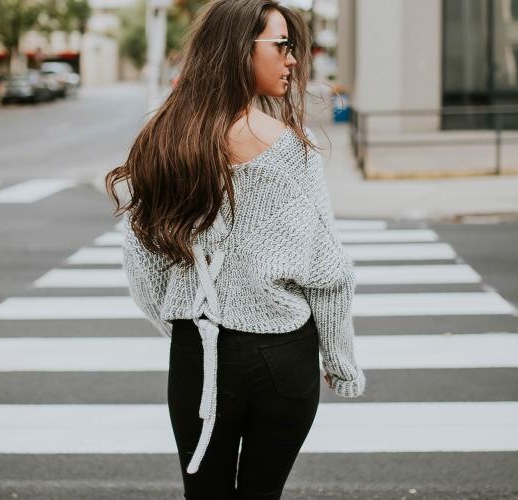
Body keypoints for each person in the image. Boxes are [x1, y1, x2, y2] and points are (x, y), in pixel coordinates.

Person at [104, 1, 365, 498]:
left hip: (197, 353)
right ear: (241, 50)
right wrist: (339, 360)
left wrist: (185, 325)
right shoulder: (292, 148)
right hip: (281, 353)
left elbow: (142, 267)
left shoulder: (164, 141)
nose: (292, 60)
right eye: (282, 46)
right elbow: (328, 271)